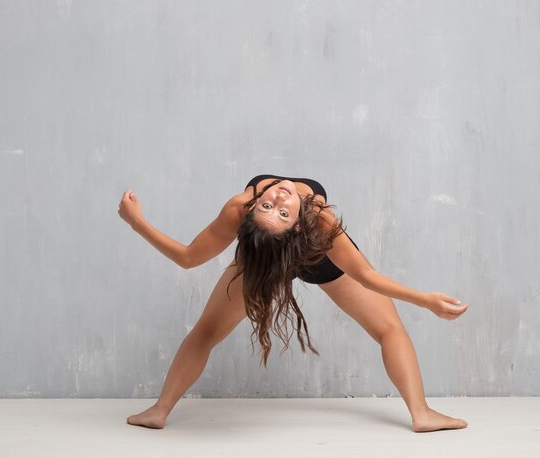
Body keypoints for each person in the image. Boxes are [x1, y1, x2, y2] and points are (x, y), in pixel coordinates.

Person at [117, 174, 469, 432]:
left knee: (388, 328)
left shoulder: (315, 224)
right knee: (207, 329)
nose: (281, 198)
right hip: (265, 260)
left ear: (298, 226)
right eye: (273, 208)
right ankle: (159, 410)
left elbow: (362, 274)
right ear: (250, 210)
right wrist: (136, 223)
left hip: (317, 257)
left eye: (279, 210)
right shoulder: (255, 211)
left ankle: (421, 413)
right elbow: (189, 257)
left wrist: (424, 300)